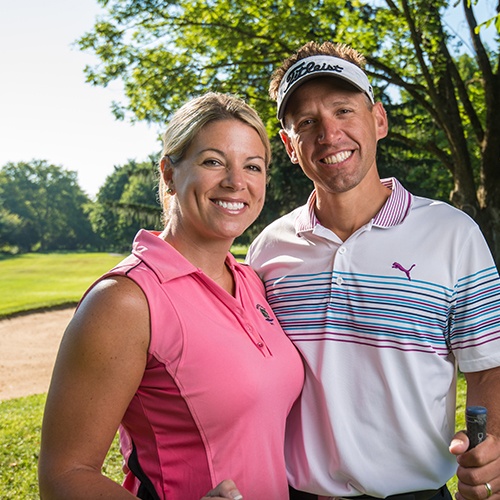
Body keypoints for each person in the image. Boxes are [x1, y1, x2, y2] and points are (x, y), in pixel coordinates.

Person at [246, 41, 500, 499]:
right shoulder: (267, 251)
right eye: (306, 122)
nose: (329, 133)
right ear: (288, 145)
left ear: (378, 119)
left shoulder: (453, 233)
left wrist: (493, 449)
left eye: (344, 110)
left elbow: (488, 367)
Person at [38, 92, 304, 500]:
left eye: (253, 166)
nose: (236, 181)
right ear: (168, 173)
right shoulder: (125, 300)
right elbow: (64, 476)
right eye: (213, 161)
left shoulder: (252, 281)